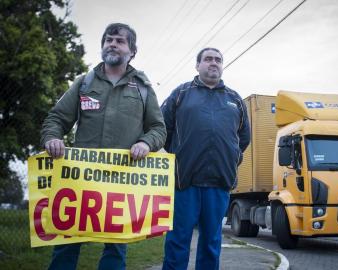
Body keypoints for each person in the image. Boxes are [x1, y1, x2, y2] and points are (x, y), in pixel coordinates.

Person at [40, 23, 166, 270]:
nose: (112, 44)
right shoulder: (84, 83)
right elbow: (56, 118)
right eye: (108, 40)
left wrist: (145, 142)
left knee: (116, 247)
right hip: (80, 182)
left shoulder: (142, 88)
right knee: (67, 242)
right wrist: (52, 138)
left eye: (120, 41)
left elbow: (158, 129)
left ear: (132, 51)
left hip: (122, 182)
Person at [160, 47, 250, 270]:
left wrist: (231, 157)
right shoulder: (181, 94)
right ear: (197, 65)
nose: (213, 63)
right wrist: (178, 154)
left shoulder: (235, 100)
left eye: (218, 60)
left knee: (211, 242)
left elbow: (244, 138)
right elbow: (163, 129)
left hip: (219, 182)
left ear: (222, 65)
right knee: (178, 240)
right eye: (208, 59)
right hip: (185, 181)